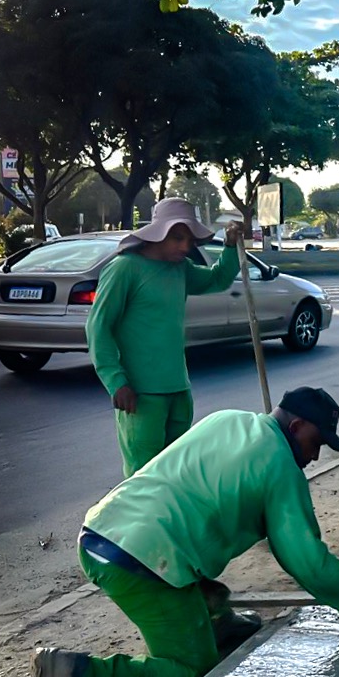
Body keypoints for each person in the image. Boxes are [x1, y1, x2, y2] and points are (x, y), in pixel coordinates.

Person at [30, 386, 339, 677]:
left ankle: (216, 623)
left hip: (105, 529)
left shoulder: (230, 420)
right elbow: (306, 561)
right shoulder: (280, 466)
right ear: (295, 426)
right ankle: (75, 674)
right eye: (316, 442)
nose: (315, 455)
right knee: (192, 672)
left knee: (207, 590)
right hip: (142, 561)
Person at [86, 199, 243, 477]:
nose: (185, 247)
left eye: (190, 240)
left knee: (175, 474)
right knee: (144, 478)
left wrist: (230, 246)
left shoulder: (179, 269)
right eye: (178, 238)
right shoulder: (125, 268)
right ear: (157, 233)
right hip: (140, 394)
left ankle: (171, 522)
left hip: (178, 389)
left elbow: (217, 280)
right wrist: (115, 381)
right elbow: (98, 327)